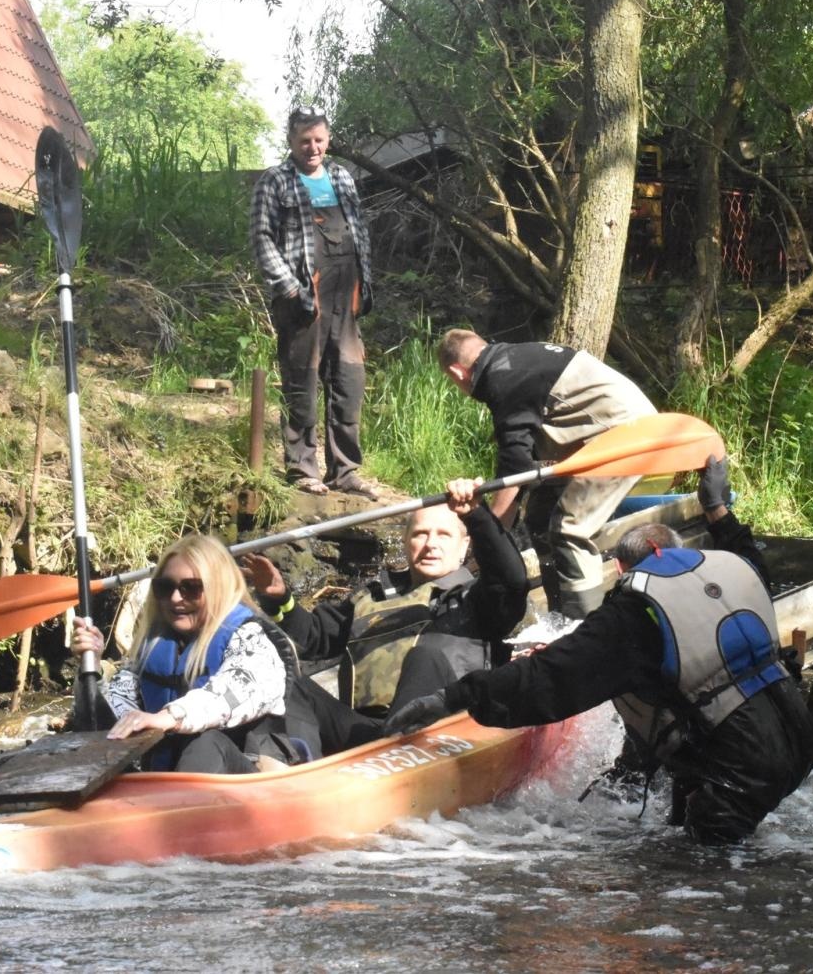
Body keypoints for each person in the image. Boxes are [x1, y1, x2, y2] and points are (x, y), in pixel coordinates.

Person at [384, 456, 813, 845]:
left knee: (697, 881)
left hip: (739, 766)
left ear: (620, 569)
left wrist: (453, 697)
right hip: (798, 736)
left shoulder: (633, 615)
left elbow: (547, 679)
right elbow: (745, 548)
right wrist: (717, 508)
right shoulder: (734, 569)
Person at [242, 477, 528, 715]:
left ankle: (401, 744)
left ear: (465, 544)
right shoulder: (372, 597)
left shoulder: (477, 599)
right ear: (405, 541)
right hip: (369, 739)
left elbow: (512, 580)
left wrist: (477, 515)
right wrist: (278, 599)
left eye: (443, 535)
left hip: (443, 733)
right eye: (420, 534)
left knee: (425, 656)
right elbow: (315, 639)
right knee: (288, 684)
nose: (431, 545)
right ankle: (285, 763)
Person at [437, 328, 657, 619]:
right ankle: (558, 614)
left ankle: (583, 624)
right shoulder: (514, 360)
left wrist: (490, 533)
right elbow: (525, 457)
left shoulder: (502, 377)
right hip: (601, 436)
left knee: (568, 529)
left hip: (625, 437)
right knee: (540, 516)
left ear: (456, 372)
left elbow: (514, 467)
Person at [69, 534, 312, 773]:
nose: (175, 598)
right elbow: (111, 724)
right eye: (165, 587)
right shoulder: (152, 648)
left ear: (219, 588)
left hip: (248, 778)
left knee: (204, 743)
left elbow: (234, 690)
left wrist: (170, 716)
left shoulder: (251, 638)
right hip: (174, 783)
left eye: (191, 588)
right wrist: (93, 668)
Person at [250, 106, 376, 499]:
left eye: (319, 140)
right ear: (291, 141)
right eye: (305, 141)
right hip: (301, 297)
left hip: (346, 293)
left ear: (328, 140)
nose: (313, 148)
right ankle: (302, 469)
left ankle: (346, 471)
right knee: (301, 380)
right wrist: (289, 287)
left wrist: (365, 285)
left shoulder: (342, 176)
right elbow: (261, 238)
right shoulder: (274, 181)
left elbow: (360, 232)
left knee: (349, 381)